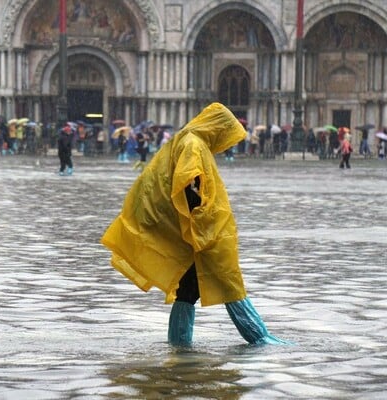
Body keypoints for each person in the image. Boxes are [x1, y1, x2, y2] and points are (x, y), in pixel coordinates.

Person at [101, 102, 290, 346]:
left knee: (190, 287)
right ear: (217, 128)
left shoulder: (189, 140)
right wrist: (199, 223)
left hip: (188, 228)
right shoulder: (193, 143)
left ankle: (180, 348)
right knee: (225, 277)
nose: (226, 142)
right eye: (226, 135)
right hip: (196, 229)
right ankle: (257, 336)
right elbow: (187, 183)